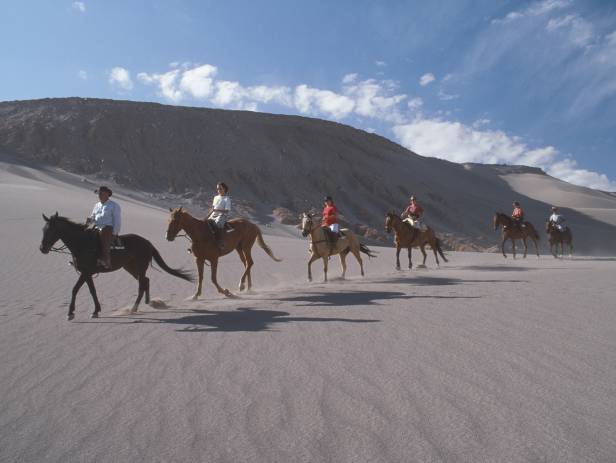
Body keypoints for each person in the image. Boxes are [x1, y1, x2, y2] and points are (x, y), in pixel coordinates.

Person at [87, 186, 121, 269]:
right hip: (96, 227)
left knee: (103, 236)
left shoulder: (114, 205)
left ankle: (106, 260)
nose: (99, 195)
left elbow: (117, 220)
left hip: (107, 228)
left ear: (107, 194)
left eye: (101, 193)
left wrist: (114, 233)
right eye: (99, 193)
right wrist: (90, 220)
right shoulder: (97, 205)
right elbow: (93, 216)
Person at [207, 182, 231, 249]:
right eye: (217, 189)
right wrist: (207, 216)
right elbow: (213, 208)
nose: (218, 190)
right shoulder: (215, 197)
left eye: (220, 189)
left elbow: (227, 210)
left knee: (217, 224)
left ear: (224, 189)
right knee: (205, 223)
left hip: (222, 215)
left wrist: (217, 210)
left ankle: (221, 242)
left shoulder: (227, 199)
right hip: (214, 214)